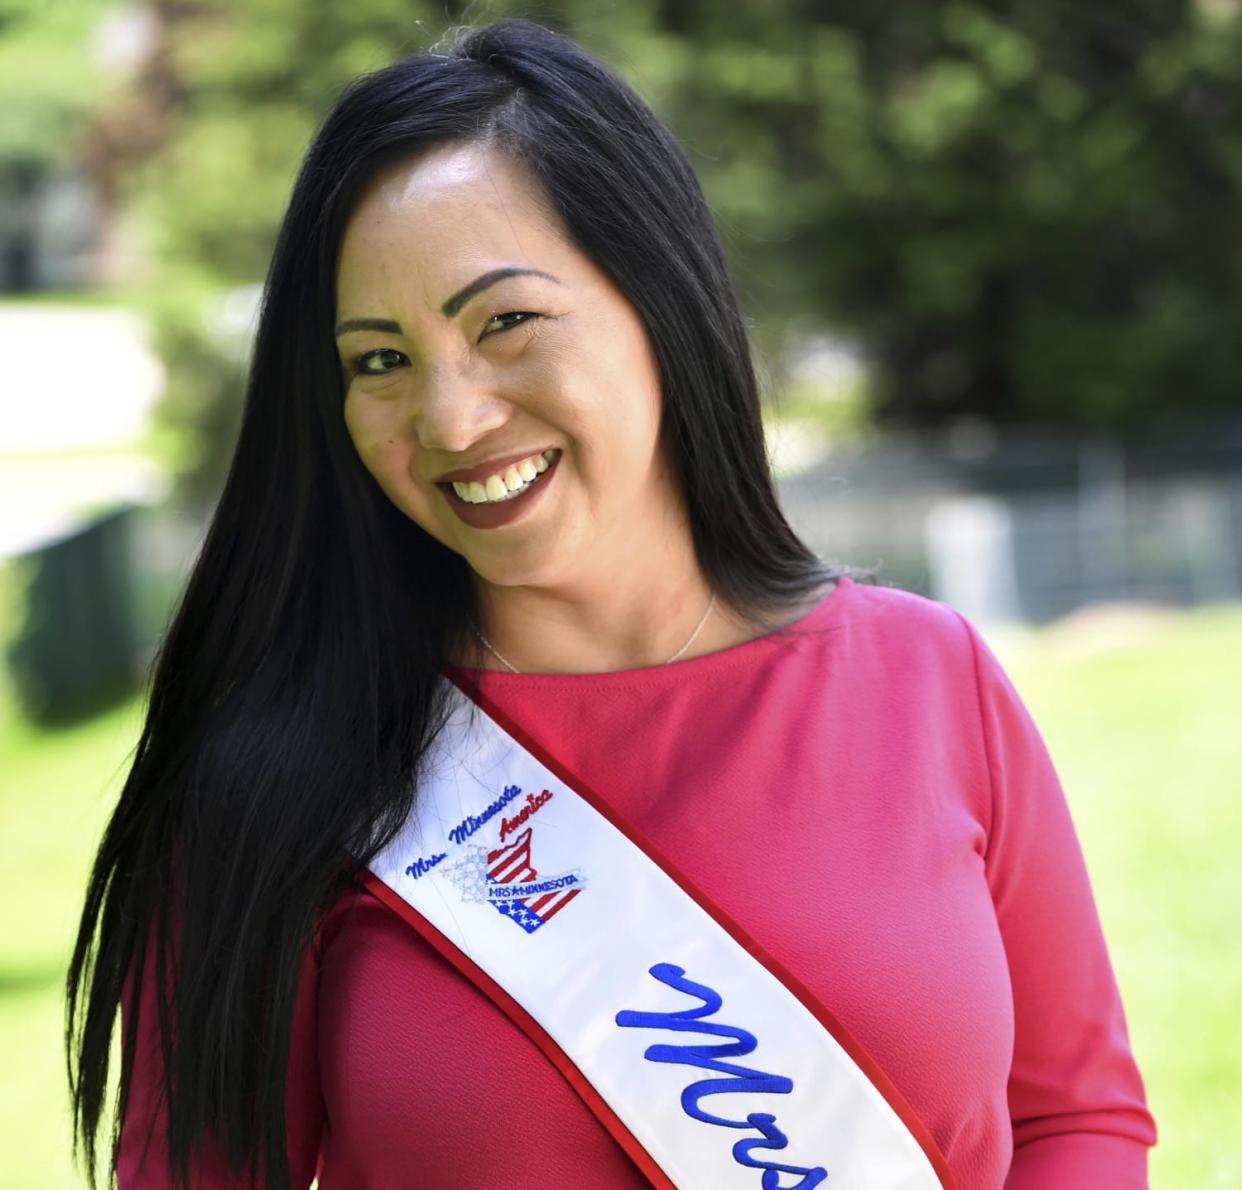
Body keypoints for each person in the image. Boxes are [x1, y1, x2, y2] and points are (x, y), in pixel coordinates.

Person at [66, 16, 1157, 1190]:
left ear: (659, 299)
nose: (451, 417)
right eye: (379, 359)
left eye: (506, 322)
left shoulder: (929, 680)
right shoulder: (281, 771)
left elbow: (1074, 1120)